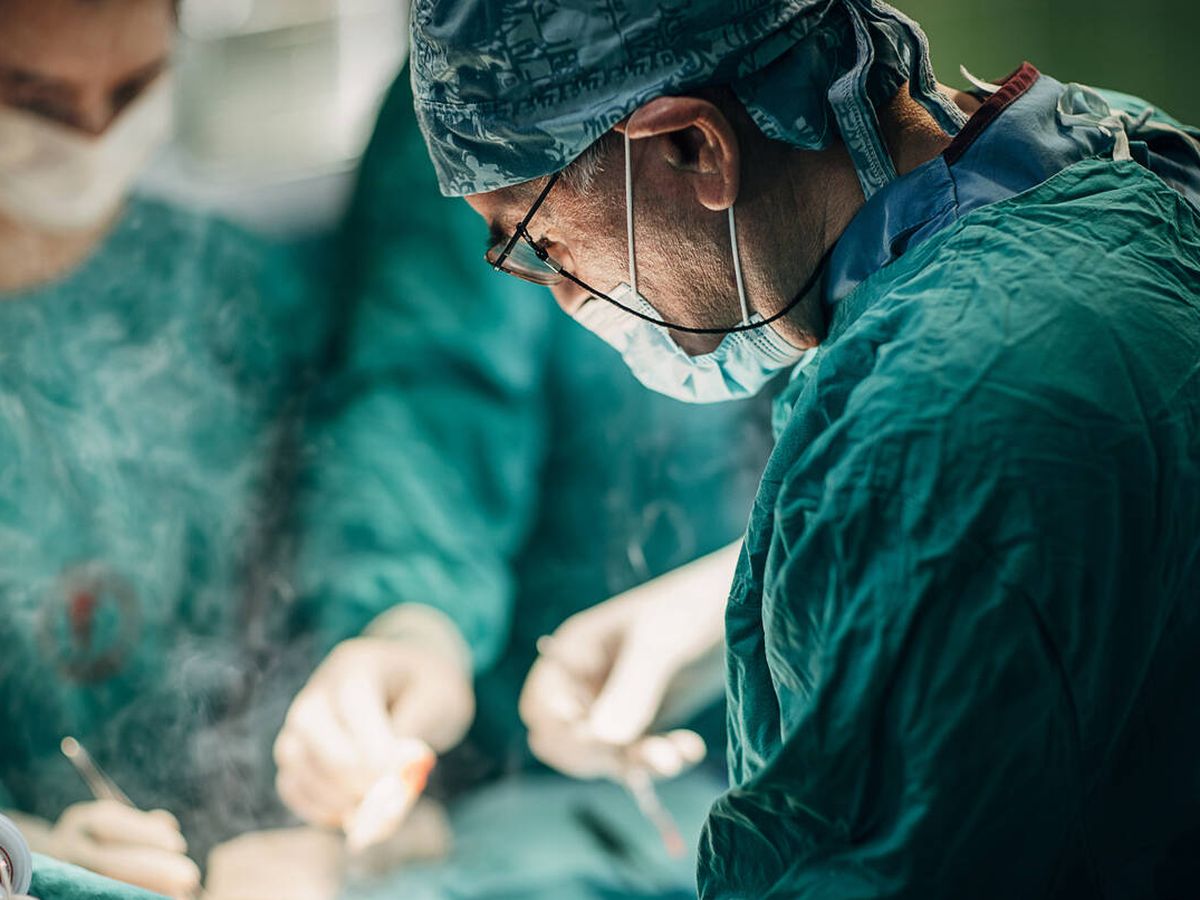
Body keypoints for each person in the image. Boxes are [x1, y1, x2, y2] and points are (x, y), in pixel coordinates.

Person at [406, 0, 1200, 895]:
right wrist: (725, 598)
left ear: (692, 149)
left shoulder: (929, 425)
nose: (564, 295)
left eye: (543, 243)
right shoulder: (1108, 151)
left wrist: (874, 544)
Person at [272, 62, 773, 875]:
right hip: (539, 761)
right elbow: (430, 391)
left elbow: (891, 461)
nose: (570, 295)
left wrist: (754, 590)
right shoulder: (488, 82)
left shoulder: (840, 129)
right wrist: (414, 621)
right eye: (531, 248)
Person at [0, 0, 323, 895]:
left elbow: (337, 560)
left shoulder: (233, 295)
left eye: (133, 88)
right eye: (36, 99)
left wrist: (339, 816)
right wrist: (25, 849)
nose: (95, 133)